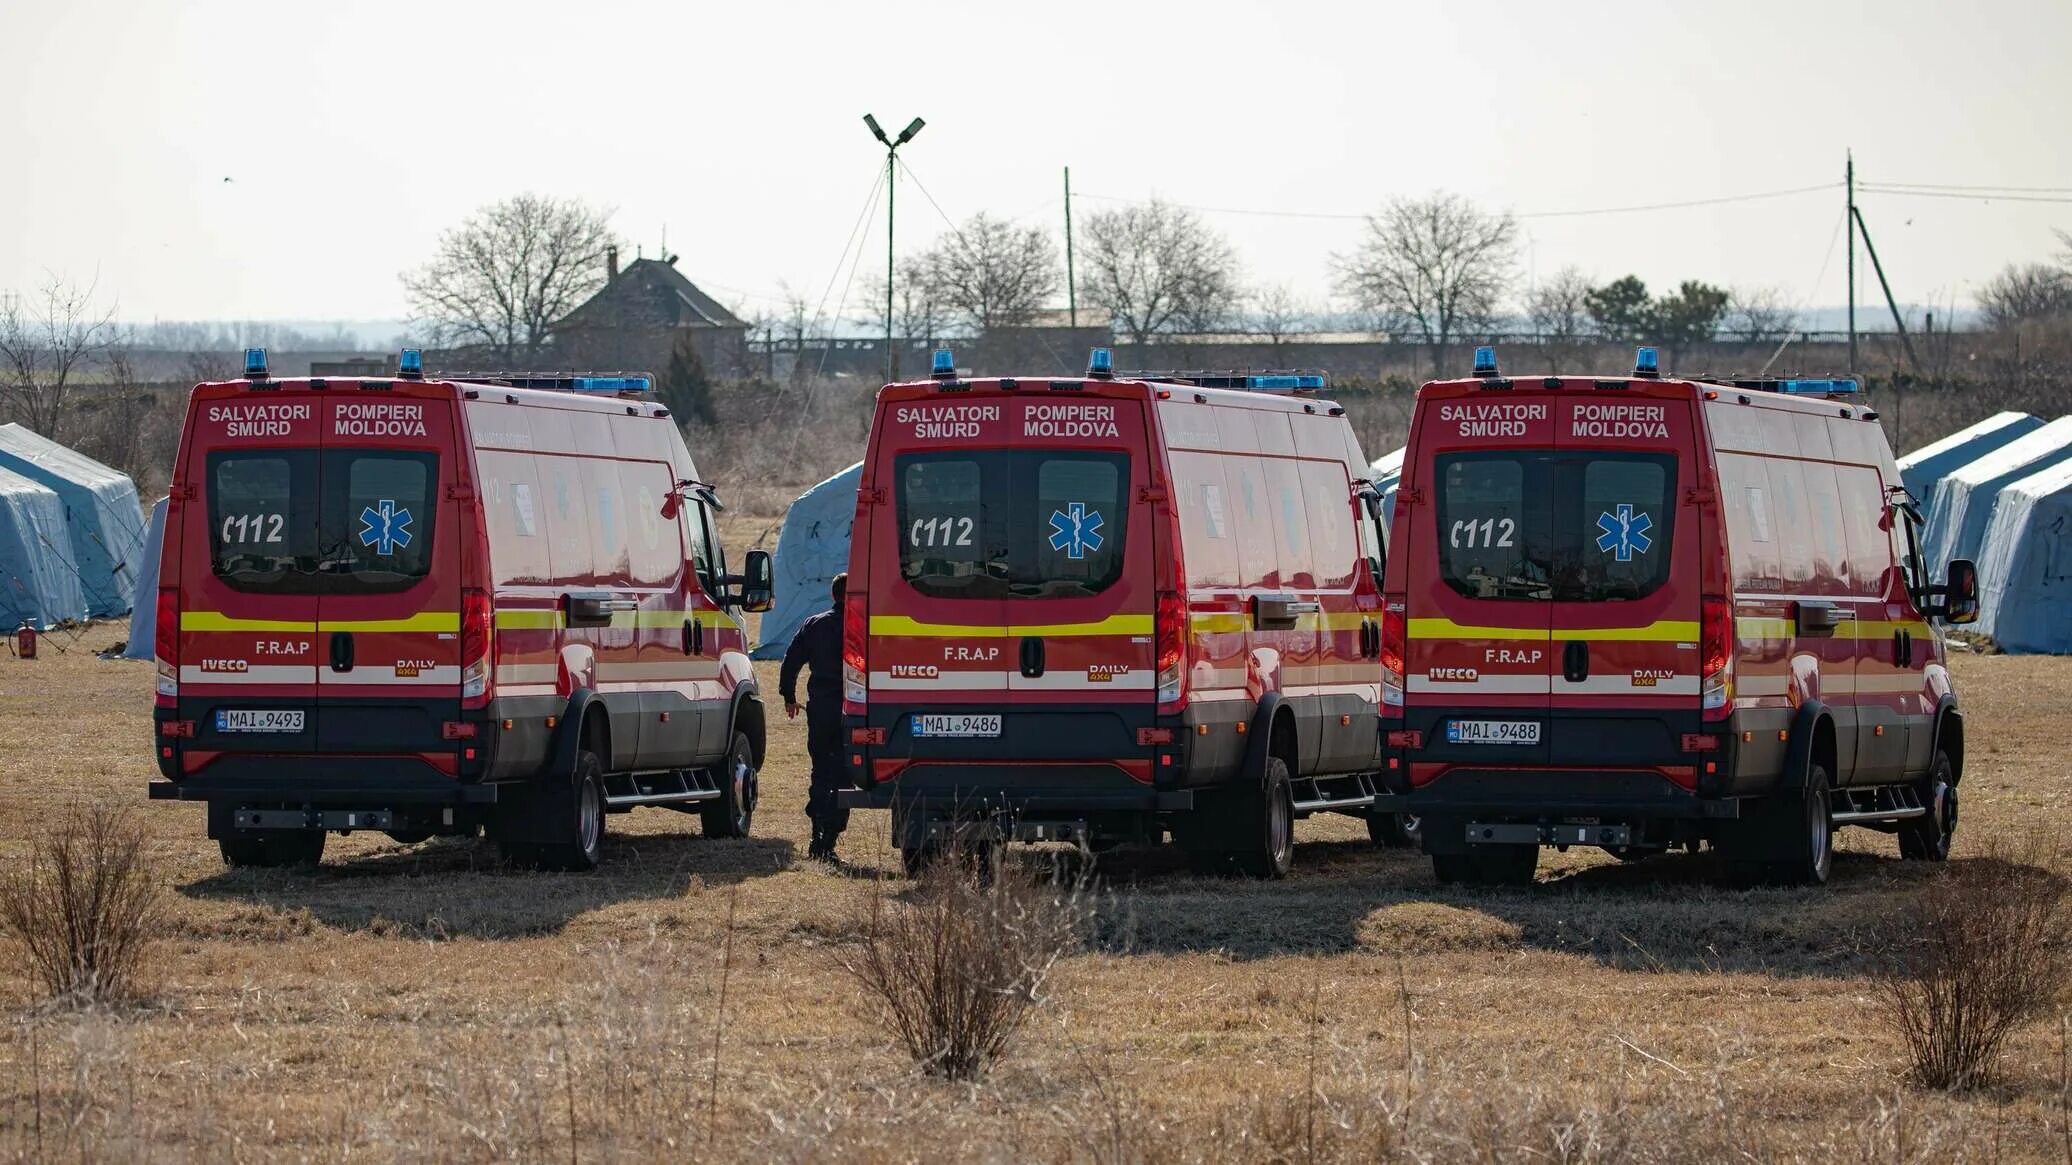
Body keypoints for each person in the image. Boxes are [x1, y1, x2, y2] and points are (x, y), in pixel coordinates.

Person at [780, 573, 850, 859]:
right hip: (855, 711)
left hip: (821, 709)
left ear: (833, 596)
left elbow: (790, 662)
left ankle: (819, 839)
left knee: (821, 773)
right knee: (845, 776)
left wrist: (789, 697)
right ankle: (830, 837)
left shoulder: (815, 624)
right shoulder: (865, 624)